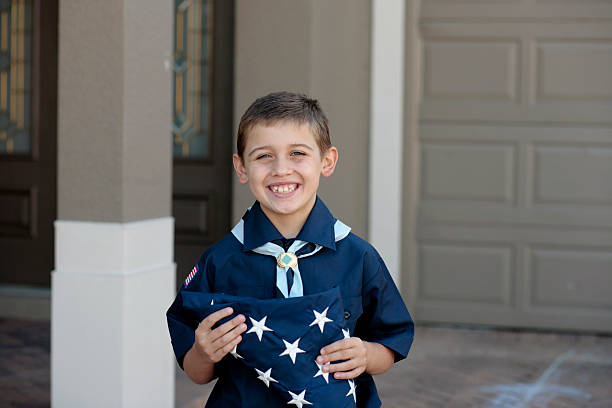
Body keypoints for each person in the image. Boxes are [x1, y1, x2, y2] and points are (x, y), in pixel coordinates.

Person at [167, 91, 414, 408]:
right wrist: (203, 353)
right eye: (263, 156)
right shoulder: (219, 261)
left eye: (297, 153)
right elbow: (197, 371)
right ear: (241, 167)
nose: (281, 169)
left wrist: (367, 355)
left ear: (327, 161)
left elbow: (391, 340)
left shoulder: (359, 256)